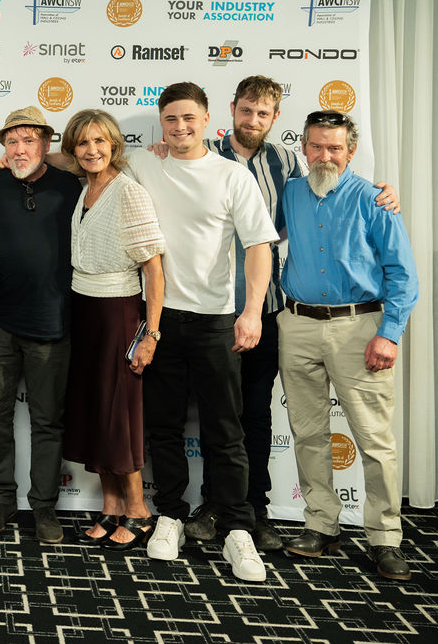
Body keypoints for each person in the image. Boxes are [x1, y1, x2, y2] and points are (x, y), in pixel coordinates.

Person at [149, 75, 400, 552]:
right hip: (207, 309)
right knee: (211, 415)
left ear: (275, 119)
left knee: (255, 414)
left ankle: (253, 507)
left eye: (263, 114)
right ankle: (211, 505)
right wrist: (162, 148)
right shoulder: (199, 153)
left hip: (264, 310)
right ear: (230, 110)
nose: (252, 120)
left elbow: (328, 188)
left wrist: (384, 193)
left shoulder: (287, 163)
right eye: (245, 111)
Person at [123, 82, 278, 582]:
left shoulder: (232, 176)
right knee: (164, 427)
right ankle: (170, 516)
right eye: (171, 119)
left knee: (224, 431)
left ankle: (237, 530)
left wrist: (251, 311)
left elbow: (259, 247)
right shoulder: (145, 163)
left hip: (216, 320)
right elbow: (81, 159)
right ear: (160, 123)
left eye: (189, 118)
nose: (180, 127)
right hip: (160, 319)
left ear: (210, 119)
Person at [278, 110, 418, 581]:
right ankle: (321, 524)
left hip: (361, 328)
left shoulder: (375, 199)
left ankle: (384, 537)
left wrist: (390, 333)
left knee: (374, 439)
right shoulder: (290, 193)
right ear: (303, 146)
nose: (325, 156)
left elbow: (402, 273)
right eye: (316, 146)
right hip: (296, 324)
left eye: (334, 148)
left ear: (350, 152)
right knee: (308, 432)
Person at [0, 106, 82, 543]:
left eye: (29, 141)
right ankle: (0, 501)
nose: (20, 149)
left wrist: (57, 161)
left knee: (47, 420)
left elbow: (102, 162)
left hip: (53, 320)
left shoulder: (70, 186)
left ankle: (44, 509)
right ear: (3, 146)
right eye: (12, 141)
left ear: (46, 144)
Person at [59, 109, 166, 551]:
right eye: (83, 143)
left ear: (115, 144)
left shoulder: (128, 192)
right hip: (82, 309)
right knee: (93, 411)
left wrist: (151, 334)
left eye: (100, 141)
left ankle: (139, 511)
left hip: (119, 312)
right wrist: (16, 156)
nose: (92, 150)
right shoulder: (84, 187)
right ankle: (111, 506)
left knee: (119, 414)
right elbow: (55, 158)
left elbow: (154, 271)